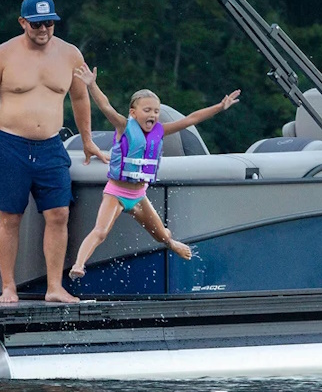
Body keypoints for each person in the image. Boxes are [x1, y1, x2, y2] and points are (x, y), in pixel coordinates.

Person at [0, 0, 106, 305]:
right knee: (10, 217)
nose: (43, 29)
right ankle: (8, 287)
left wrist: (87, 140)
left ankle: (54, 287)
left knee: (58, 213)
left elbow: (80, 98)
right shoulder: (2, 55)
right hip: (10, 144)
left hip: (51, 145)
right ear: (23, 22)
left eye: (49, 23)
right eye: (36, 24)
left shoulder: (70, 55)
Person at [67, 66, 240, 281]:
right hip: (116, 193)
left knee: (163, 235)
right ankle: (79, 265)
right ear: (133, 113)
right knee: (100, 231)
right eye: (147, 110)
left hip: (139, 196)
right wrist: (92, 84)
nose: (153, 115)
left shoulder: (160, 130)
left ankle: (173, 244)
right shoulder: (124, 127)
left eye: (156, 111)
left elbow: (191, 119)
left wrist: (220, 107)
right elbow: (106, 106)